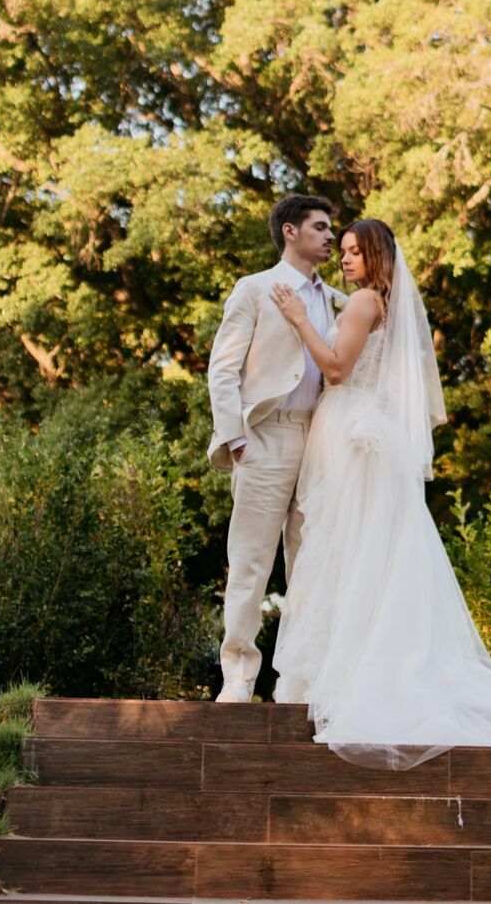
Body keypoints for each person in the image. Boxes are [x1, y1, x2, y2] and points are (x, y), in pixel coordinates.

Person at [267, 217, 491, 768]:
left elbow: (336, 369)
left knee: (344, 552)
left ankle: (343, 669)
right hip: (367, 433)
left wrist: (297, 319)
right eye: (344, 251)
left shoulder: (363, 303)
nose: (346, 259)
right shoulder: (378, 304)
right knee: (370, 556)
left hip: (349, 433)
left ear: (378, 258)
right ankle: (366, 662)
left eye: (357, 252)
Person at [204, 195, 345, 703]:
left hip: (321, 441)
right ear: (290, 231)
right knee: (250, 562)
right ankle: (238, 676)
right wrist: (237, 440)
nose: (331, 237)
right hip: (265, 436)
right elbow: (223, 370)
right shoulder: (254, 289)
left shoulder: (336, 299)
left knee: (309, 563)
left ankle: (299, 678)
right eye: (321, 227)